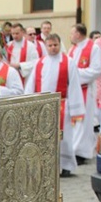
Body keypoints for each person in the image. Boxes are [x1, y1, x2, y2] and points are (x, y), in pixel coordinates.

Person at [25, 33, 85, 177]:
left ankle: (66, 165)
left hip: (62, 106)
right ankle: (45, 165)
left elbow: (75, 85)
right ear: (46, 46)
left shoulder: (68, 62)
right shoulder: (40, 63)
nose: (53, 48)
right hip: (42, 106)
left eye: (55, 45)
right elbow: (31, 84)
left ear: (60, 44)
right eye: (50, 45)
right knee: (43, 138)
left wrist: (76, 109)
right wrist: (27, 102)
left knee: (63, 138)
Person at [68, 23, 101, 164]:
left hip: (85, 90)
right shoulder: (72, 49)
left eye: (72, 33)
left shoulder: (93, 48)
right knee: (74, 122)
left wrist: (75, 75)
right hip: (73, 91)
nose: (70, 36)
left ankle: (82, 152)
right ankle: (73, 150)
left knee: (84, 122)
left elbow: (95, 70)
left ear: (78, 34)